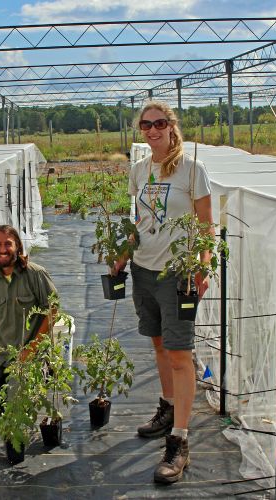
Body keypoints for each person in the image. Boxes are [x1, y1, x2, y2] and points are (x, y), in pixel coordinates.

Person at [113, 101, 213, 484]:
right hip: (143, 270)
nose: (152, 130)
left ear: (172, 126)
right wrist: (122, 255)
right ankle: (168, 408)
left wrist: (203, 267)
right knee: (158, 345)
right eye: (145, 125)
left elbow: (206, 226)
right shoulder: (139, 170)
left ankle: (180, 441)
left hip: (177, 275)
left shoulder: (192, 171)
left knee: (179, 354)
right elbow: (139, 221)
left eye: (159, 123)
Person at [0, 224, 58, 404]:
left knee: (17, 402)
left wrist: (32, 348)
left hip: (29, 351)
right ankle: (6, 377)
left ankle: (40, 369)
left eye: (8, 244)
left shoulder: (35, 274)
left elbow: (53, 310)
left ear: (17, 246)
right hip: (0, 351)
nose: (3, 249)